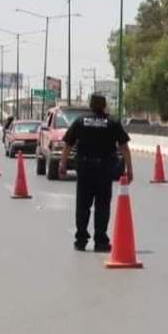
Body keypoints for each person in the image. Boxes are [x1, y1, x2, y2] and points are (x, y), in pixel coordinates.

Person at [58, 94, 133, 252]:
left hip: (85, 169)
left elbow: (68, 144)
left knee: (83, 205)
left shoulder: (80, 121)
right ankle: (101, 241)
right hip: (104, 170)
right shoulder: (112, 122)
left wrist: (63, 163)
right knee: (102, 206)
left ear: (90, 105)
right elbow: (124, 147)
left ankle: (81, 240)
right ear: (104, 105)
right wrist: (130, 169)